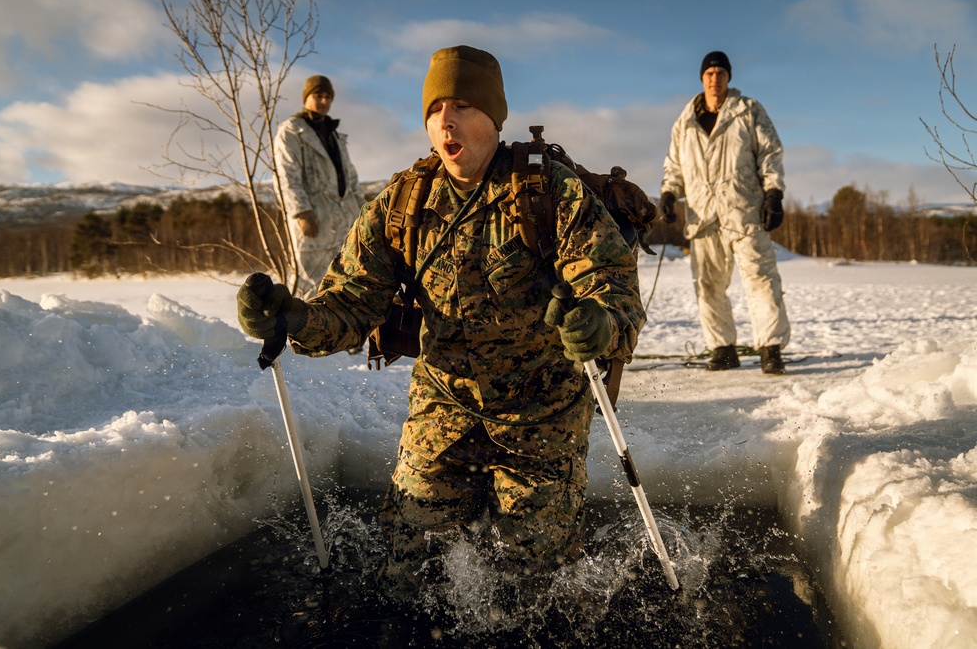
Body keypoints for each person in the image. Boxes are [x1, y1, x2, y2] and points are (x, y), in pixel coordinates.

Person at [238, 45, 644, 599]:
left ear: (493, 118)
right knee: (407, 578)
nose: (445, 121)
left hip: (541, 415)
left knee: (536, 592)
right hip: (444, 409)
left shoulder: (548, 191)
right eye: (434, 110)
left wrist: (598, 322)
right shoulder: (404, 201)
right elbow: (351, 303)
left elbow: (612, 285)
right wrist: (295, 318)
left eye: (462, 106)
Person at [659, 50, 790, 374]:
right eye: (709, 73)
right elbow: (675, 165)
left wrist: (773, 193)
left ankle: (771, 349)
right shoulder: (685, 121)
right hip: (703, 216)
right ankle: (723, 349)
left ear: (729, 77)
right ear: (701, 78)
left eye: (720, 73)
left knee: (761, 279)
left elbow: (770, 153)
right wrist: (669, 193)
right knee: (708, 285)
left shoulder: (748, 110)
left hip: (745, 211)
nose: (715, 78)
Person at [274, 74, 366, 297]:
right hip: (312, 219)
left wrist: (363, 213)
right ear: (306, 97)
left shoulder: (335, 135)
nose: (324, 101)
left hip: (343, 221)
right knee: (310, 285)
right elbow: (286, 175)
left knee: (343, 284)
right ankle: (302, 321)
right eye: (318, 96)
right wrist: (302, 212)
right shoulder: (292, 130)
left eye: (328, 97)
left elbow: (350, 179)